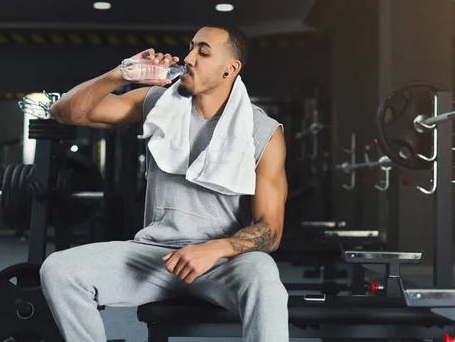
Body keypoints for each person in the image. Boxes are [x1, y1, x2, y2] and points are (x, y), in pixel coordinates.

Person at [40, 25, 289, 342]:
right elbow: (64, 112)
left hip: (223, 264)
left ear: (231, 68)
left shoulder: (263, 132)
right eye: (191, 47)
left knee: (262, 272)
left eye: (203, 51)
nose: (189, 58)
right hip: (154, 258)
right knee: (59, 270)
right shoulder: (157, 102)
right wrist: (123, 73)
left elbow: (272, 230)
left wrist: (215, 250)